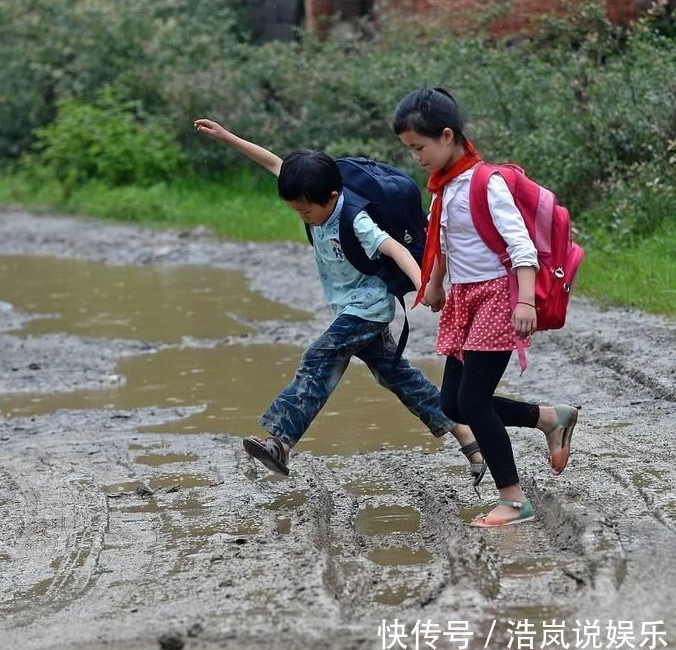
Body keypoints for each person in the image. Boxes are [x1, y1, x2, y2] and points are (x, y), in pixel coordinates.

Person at [194, 118, 486, 486]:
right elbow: (273, 162)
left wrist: (424, 285)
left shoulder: (354, 218)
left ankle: (282, 441)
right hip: (349, 306)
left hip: (368, 308)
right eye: (297, 211)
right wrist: (227, 136)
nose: (304, 219)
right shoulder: (312, 191)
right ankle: (467, 436)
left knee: (319, 357)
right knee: (396, 375)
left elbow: (395, 249)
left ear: (331, 197)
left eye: (306, 212)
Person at [392, 87, 580, 528]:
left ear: (446, 135)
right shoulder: (443, 189)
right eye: (409, 150)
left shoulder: (487, 182)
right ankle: (550, 419)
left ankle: (514, 501)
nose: (416, 157)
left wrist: (527, 299)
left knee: (473, 400)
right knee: (452, 404)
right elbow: (445, 245)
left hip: (498, 298)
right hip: (465, 299)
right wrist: (436, 286)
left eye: (419, 147)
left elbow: (521, 245)